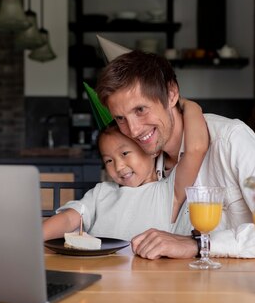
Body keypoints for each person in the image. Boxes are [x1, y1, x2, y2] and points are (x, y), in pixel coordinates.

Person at [95, 50, 255, 259]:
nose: (133, 130)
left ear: (172, 94)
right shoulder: (140, 165)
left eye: (140, 110)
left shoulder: (229, 140)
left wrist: (199, 245)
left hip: (241, 290)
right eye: (121, 118)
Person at [42, 99, 208, 242]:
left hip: (152, 276)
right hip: (103, 274)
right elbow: (69, 218)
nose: (119, 167)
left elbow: (196, 148)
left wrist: (190, 105)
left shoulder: (170, 191)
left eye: (125, 153)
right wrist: (35, 237)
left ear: (152, 150)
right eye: (108, 160)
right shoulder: (102, 193)